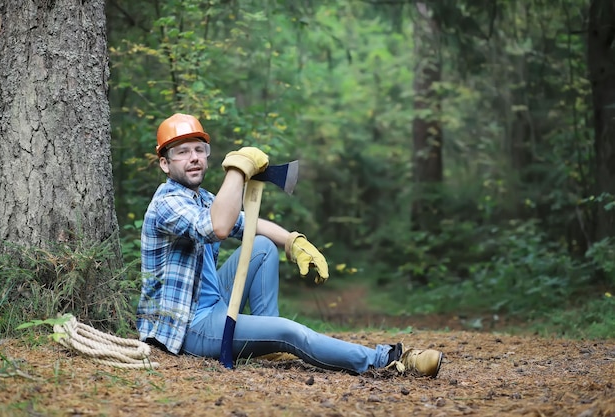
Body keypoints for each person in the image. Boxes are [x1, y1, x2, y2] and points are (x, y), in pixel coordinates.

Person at [136, 113, 443, 377]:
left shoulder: (202, 198)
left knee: (263, 245)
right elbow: (219, 227)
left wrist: (293, 241)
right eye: (183, 152)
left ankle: (267, 346)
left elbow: (247, 224)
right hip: (189, 326)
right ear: (164, 163)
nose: (194, 158)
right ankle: (387, 360)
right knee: (288, 331)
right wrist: (237, 170)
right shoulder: (167, 202)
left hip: (214, 305)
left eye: (200, 150)